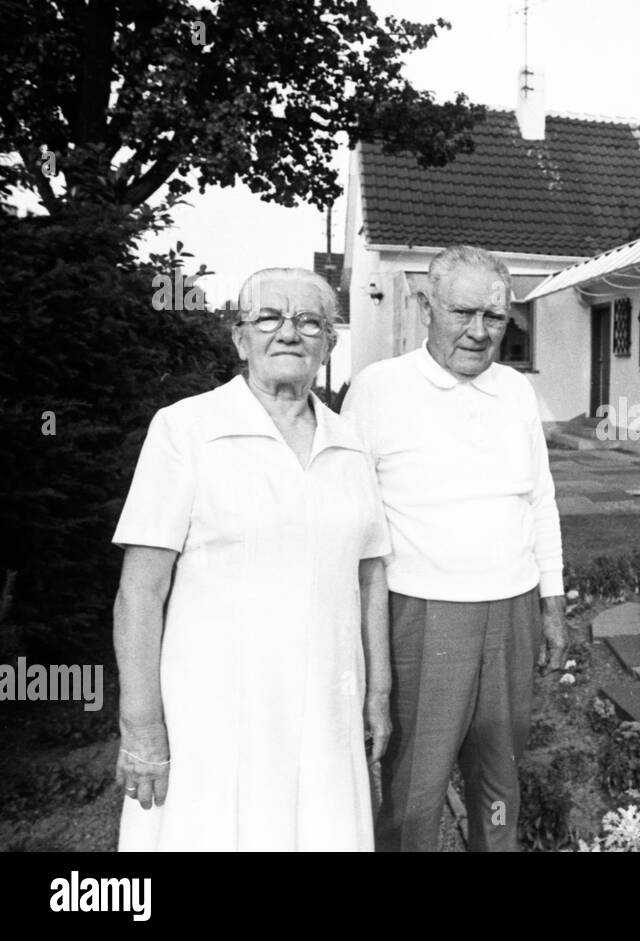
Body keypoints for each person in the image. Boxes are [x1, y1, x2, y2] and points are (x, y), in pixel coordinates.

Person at [112, 268, 392, 851]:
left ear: (329, 344)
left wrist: (378, 691)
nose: (289, 333)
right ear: (240, 339)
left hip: (324, 710)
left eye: (309, 321)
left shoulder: (352, 443)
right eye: (269, 317)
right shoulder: (186, 429)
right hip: (214, 711)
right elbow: (141, 589)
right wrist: (141, 725)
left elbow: (370, 575)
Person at [343, 244, 567, 852]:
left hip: (513, 610)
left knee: (499, 783)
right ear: (425, 308)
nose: (478, 331)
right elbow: (353, 527)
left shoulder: (518, 392)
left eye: (495, 318)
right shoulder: (377, 390)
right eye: (463, 312)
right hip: (422, 613)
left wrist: (552, 602)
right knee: (416, 789)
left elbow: (539, 501)